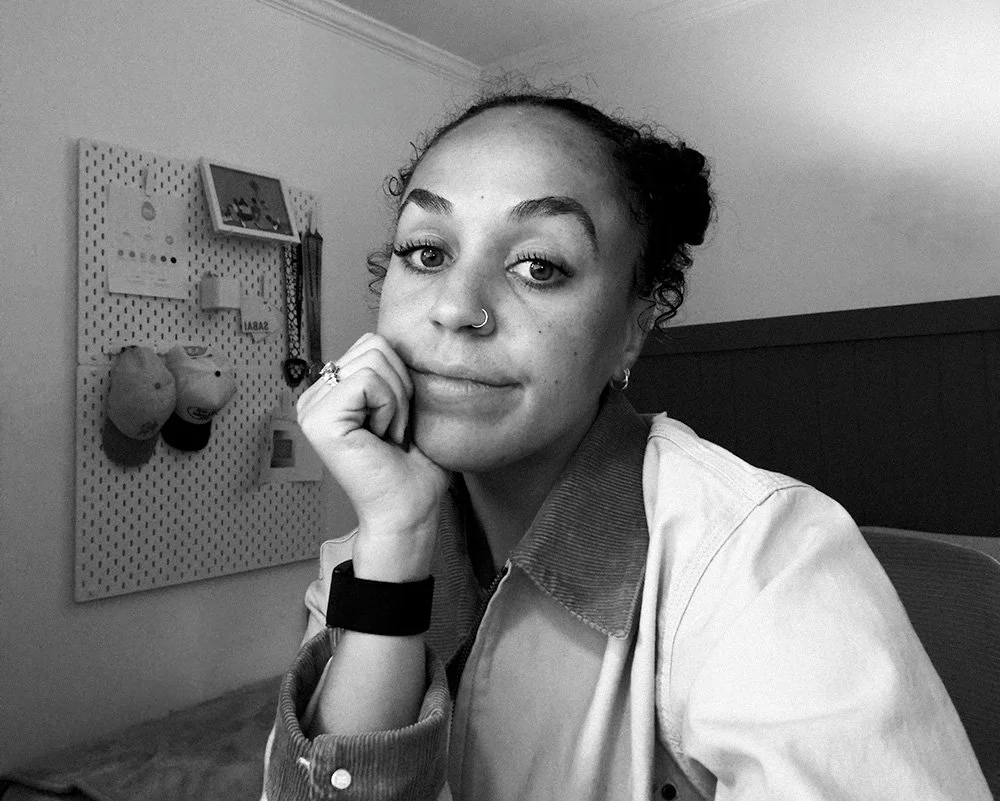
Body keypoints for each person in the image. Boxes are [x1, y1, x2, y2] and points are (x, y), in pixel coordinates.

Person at [262, 90, 991, 800]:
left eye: (539, 266)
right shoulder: (361, 558)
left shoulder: (766, 561)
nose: (455, 307)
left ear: (632, 330)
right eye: (425, 252)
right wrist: (396, 542)